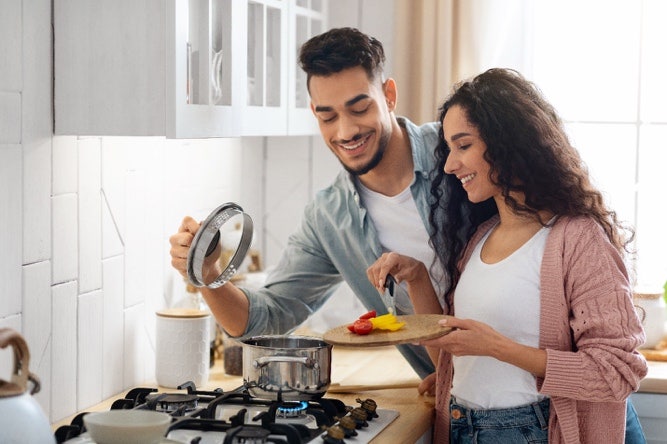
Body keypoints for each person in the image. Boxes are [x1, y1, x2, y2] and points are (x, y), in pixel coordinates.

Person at [368, 68, 648, 443]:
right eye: (449, 149)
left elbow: (617, 371)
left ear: (509, 143)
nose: (450, 165)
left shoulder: (578, 239)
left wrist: (499, 349)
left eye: (463, 146)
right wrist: (417, 276)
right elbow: (453, 353)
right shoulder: (482, 238)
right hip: (460, 427)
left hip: (529, 431)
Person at [169, 27, 444, 382]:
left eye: (359, 108)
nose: (345, 132)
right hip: (451, 406)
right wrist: (208, 276)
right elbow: (263, 320)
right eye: (328, 117)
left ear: (389, 95)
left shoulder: (456, 151)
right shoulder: (329, 218)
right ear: (314, 112)